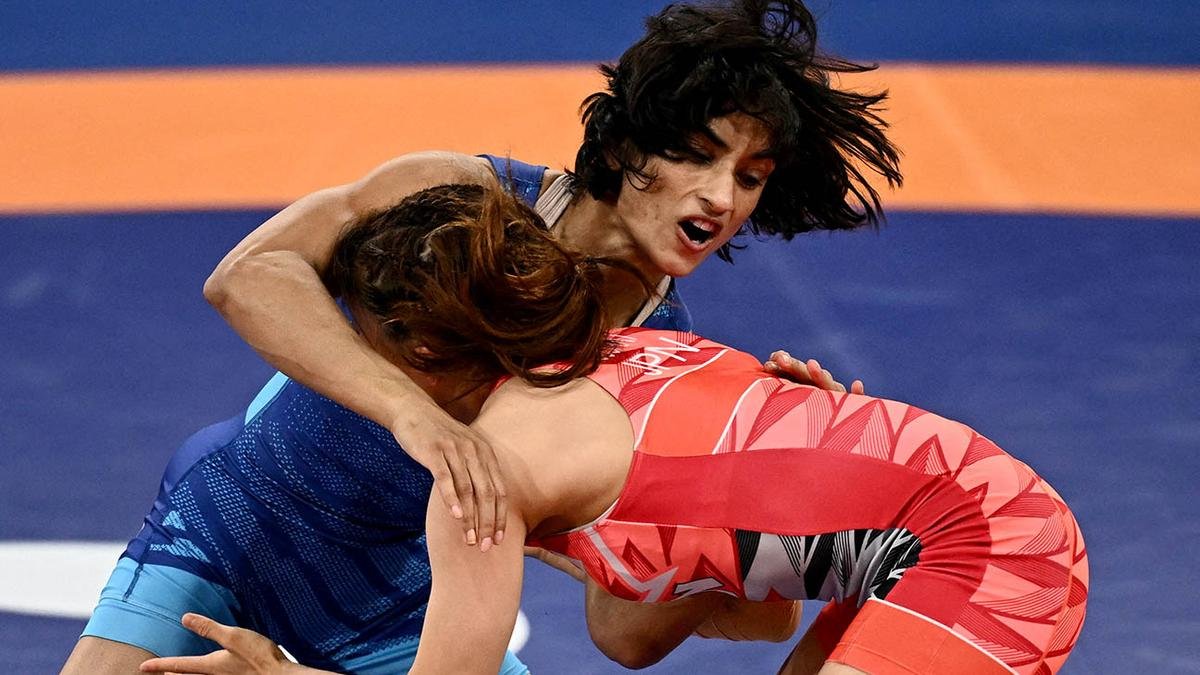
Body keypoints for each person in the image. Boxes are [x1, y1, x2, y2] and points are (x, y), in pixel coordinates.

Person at [202, 0, 901, 546]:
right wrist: (409, 412)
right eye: (696, 154)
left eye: (750, 178)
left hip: (395, 598)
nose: (722, 199)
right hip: (236, 520)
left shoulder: (659, 358)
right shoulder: (460, 194)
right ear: (623, 143)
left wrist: (763, 474)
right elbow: (248, 275)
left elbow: (621, 625)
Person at [139, 312, 1089, 674]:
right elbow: (731, 617)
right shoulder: (614, 358)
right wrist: (816, 475)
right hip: (941, 528)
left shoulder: (482, 477)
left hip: (989, 544)